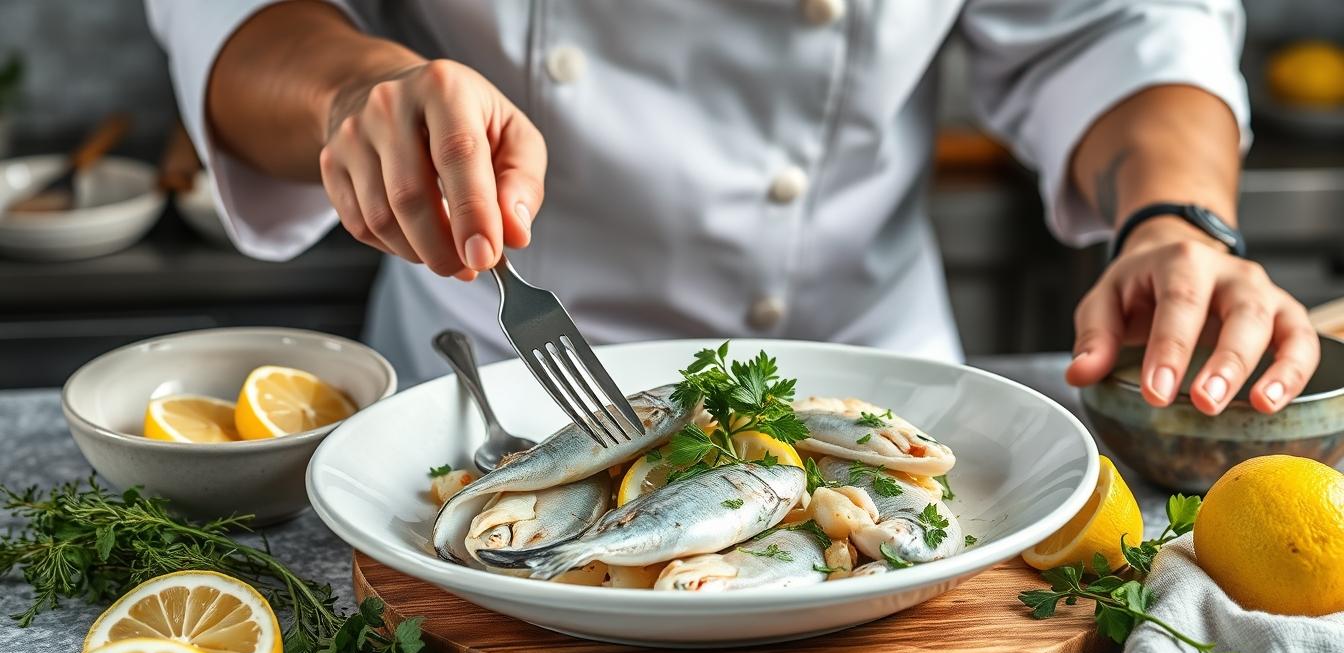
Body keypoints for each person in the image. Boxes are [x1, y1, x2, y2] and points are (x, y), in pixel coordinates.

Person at [147, 0, 1319, 416]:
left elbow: (1113, 24)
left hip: (879, 383)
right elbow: (240, 14)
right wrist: (355, 89)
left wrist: (1177, 221)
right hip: (480, 387)